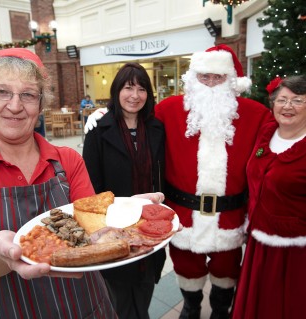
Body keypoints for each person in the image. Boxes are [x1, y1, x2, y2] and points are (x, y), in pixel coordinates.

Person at [84, 44, 274, 318]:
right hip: (182, 213)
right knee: (187, 267)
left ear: (231, 80)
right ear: (193, 79)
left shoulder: (257, 115)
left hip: (231, 215)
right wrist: (105, 115)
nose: (210, 84)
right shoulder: (170, 109)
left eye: (217, 78)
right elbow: (135, 112)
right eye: (204, 77)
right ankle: (191, 306)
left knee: (227, 269)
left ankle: (221, 309)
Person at [0, 48, 164, 319]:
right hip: (14, 304)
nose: (14, 105)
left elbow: (94, 225)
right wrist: (4, 254)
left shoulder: (67, 160)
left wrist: (125, 211)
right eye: (1, 92)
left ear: (41, 104)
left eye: (28, 94)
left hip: (85, 303)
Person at [82, 62, 166, 319]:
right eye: (128, 87)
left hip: (149, 228)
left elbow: (160, 175)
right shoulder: (99, 131)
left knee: (143, 297)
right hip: (113, 229)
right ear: (117, 90)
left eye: (142, 89)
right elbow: (91, 189)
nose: (135, 95)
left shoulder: (156, 129)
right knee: (118, 304)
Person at [231, 75, 306, 319]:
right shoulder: (266, 132)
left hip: (294, 251)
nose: (288, 106)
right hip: (258, 241)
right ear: (272, 104)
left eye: (297, 101)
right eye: (282, 100)